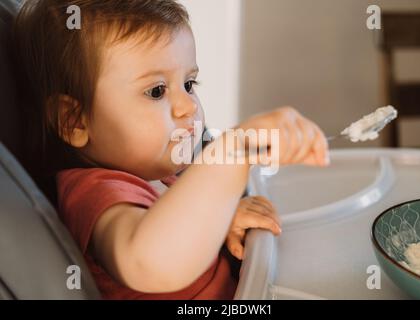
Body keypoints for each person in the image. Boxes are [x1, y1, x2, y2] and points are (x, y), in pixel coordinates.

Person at [12, 0, 329, 299]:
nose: (188, 106)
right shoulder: (97, 194)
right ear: (74, 121)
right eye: (156, 91)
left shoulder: (161, 175)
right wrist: (233, 153)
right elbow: (149, 261)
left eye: (189, 84)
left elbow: (181, 228)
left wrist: (220, 222)